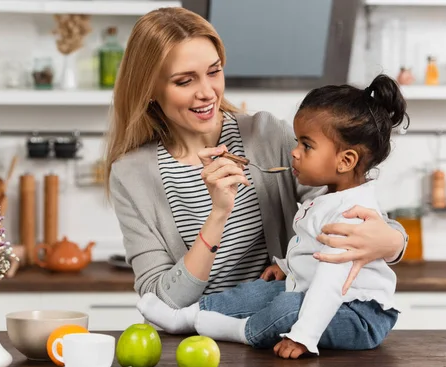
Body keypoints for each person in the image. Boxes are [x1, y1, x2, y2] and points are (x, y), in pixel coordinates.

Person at [105, 7, 408, 310]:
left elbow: (349, 210)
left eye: (214, 71)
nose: (207, 92)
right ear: (150, 89)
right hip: (191, 345)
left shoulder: (267, 136)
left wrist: (393, 243)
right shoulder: (131, 175)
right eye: (185, 81)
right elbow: (160, 301)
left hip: (276, 337)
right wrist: (218, 215)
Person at [137, 73, 408, 359]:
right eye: (296, 142)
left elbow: (329, 287)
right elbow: (310, 249)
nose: (294, 153)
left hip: (358, 315)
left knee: (287, 309)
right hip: (318, 295)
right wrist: (289, 267)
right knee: (258, 292)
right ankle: (186, 317)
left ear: (346, 161)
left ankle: (242, 331)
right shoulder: (330, 197)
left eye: (306, 145)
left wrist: (303, 337)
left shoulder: (350, 215)